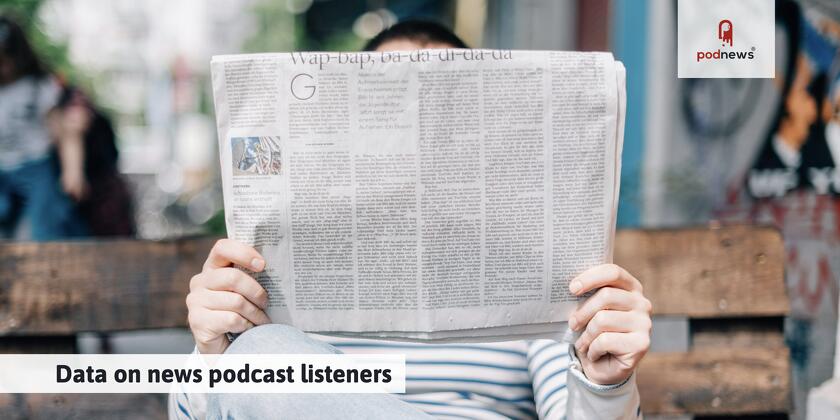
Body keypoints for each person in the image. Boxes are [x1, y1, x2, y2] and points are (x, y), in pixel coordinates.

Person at [172, 20, 651, 419]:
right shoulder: (272, 276)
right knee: (263, 358)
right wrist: (214, 355)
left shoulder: (533, 270)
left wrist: (604, 382)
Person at [0, 15, 88, 239]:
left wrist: (72, 172)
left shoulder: (38, 86)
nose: (4, 68)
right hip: (2, 169)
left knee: (43, 225)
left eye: (6, 59)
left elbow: (66, 133)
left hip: (35, 166)